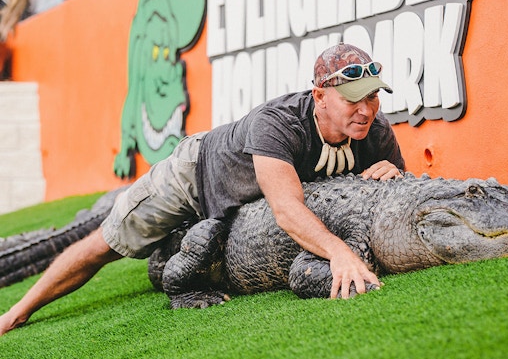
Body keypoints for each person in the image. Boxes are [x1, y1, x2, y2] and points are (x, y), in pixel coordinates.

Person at [0, 42, 405, 336]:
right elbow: (287, 211)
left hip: (238, 208)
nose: (366, 110)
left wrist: (394, 173)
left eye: (372, 97)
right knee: (106, 243)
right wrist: (340, 254)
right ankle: (17, 312)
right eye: (353, 99)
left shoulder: (374, 130)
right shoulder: (279, 124)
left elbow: (390, 192)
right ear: (319, 96)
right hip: (193, 176)